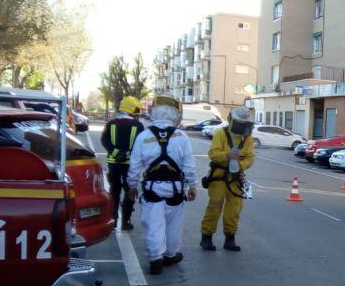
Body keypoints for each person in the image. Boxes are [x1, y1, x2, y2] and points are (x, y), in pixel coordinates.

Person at [127, 95, 198, 275]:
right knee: (174, 224)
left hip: (152, 188)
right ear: (175, 116)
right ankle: (171, 254)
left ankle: (155, 259)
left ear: (154, 113)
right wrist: (192, 185)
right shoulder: (182, 137)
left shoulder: (144, 136)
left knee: (153, 224)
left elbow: (134, 164)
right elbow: (189, 165)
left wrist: (132, 185)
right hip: (175, 189)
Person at [200, 106, 256, 252]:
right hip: (219, 176)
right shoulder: (220, 133)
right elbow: (213, 153)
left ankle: (230, 238)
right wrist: (227, 156)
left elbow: (250, 157)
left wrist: (240, 165)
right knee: (215, 205)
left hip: (236, 177)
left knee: (235, 208)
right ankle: (206, 237)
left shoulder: (247, 137)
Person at [100, 95, 144, 230]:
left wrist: (115, 153)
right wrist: (126, 155)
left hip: (113, 164)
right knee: (130, 191)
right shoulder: (138, 126)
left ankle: (113, 221)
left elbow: (104, 141)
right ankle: (126, 221)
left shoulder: (110, 123)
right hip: (130, 165)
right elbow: (140, 145)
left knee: (114, 191)